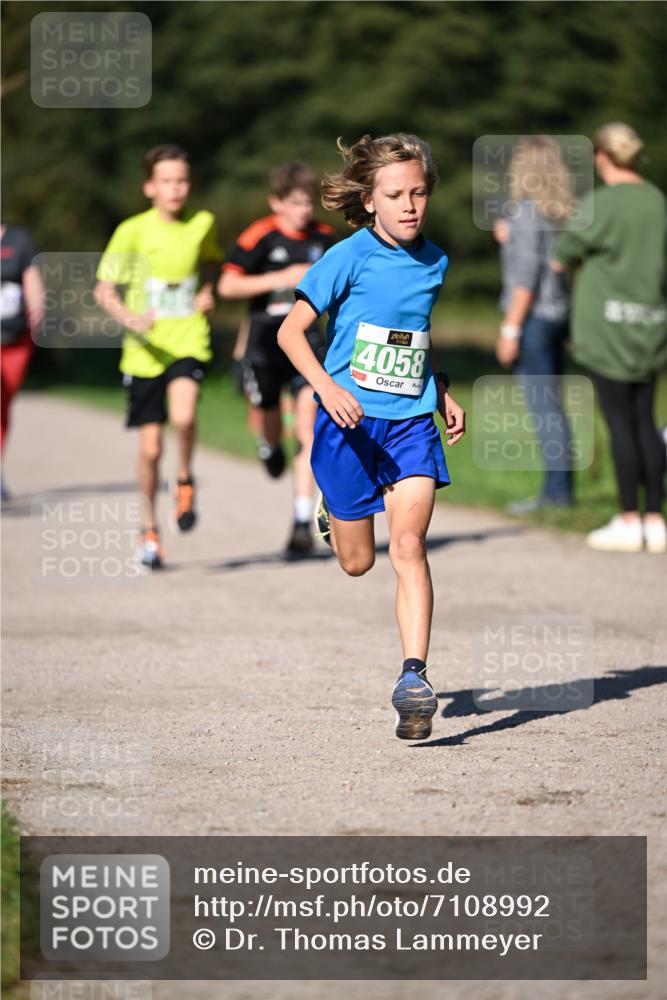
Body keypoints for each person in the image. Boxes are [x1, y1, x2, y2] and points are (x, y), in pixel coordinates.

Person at [277, 134, 465, 740]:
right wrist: (325, 390)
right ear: (369, 199)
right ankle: (335, 510)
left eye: (418, 193)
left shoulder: (435, 261)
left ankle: (414, 677)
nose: (409, 205)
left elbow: (415, 333)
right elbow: (290, 332)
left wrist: (439, 391)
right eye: (395, 195)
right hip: (349, 424)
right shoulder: (347, 257)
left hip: (410, 423)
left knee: (408, 546)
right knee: (359, 563)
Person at [95, 144, 221, 569]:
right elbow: (104, 290)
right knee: (150, 449)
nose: (175, 188)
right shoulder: (131, 231)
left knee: (183, 418)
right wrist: (128, 318)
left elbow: (213, 266)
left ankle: (184, 478)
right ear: (150, 186)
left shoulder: (203, 224)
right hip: (145, 352)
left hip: (187, 341)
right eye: (166, 181)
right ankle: (148, 527)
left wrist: (208, 292)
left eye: (182, 180)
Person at [552, 123, 667, 554]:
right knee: (645, 420)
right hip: (651, 325)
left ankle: (627, 517)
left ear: (603, 157)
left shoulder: (600, 204)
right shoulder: (658, 201)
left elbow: (562, 258)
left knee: (619, 423)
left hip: (606, 330)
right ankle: (656, 520)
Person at [218, 162, 335, 555]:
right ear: (277, 203)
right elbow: (228, 285)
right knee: (270, 422)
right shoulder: (260, 235)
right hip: (265, 343)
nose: (303, 211)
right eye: (294, 203)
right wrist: (281, 278)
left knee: (308, 430)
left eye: (307, 203)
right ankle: (268, 447)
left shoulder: (325, 237)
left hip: (309, 344)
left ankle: (302, 522)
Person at [494, 137, 574, 512]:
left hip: (534, 319)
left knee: (544, 408)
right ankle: (560, 490)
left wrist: (510, 330)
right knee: (554, 406)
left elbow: (526, 277)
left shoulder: (526, 212)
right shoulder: (559, 212)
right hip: (558, 314)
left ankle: (556, 495)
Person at [1, 223, 44, 498]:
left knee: (2, 406)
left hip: (15, 341)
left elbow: (33, 283)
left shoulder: (20, 239)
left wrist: (38, 309)